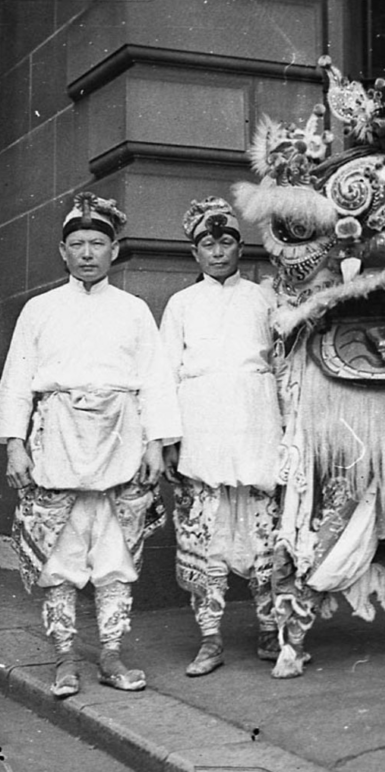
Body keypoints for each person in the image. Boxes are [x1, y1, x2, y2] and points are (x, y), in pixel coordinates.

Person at [0, 193, 180, 697]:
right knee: (61, 554)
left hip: (120, 440)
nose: (86, 253)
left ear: (114, 250)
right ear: (63, 252)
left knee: (114, 553)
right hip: (57, 438)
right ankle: (62, 657)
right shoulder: (39, 310)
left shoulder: (134, 310)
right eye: (76, 244)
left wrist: (155, 443)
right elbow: (15, 381)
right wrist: (14, 444)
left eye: (96, 243)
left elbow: (156, 380)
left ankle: (112, 655)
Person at [160, 197, 283, 676]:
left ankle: (271, 629)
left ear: (239, 247)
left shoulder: (264, 298)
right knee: (205, 534)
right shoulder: (181, 305)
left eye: (226, 241)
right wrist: (168, 439)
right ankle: (210, 638)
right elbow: (165, 374)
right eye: (207, 244)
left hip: (256, 423)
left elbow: (283, 366)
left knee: (263, 532)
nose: (217, 251)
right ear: (195, 253)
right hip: (202, 427)